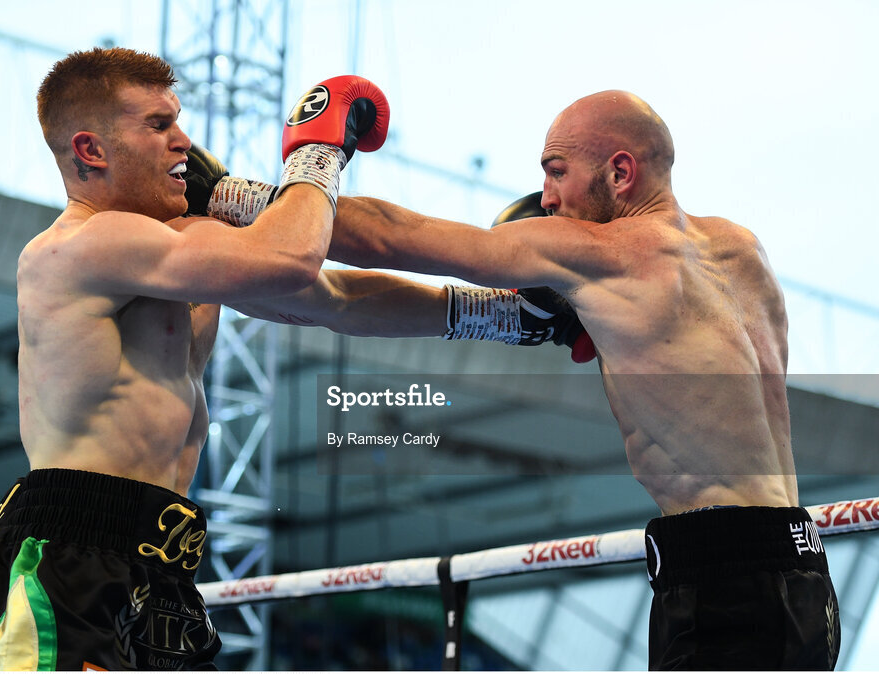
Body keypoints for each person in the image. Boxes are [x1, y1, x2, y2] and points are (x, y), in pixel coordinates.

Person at [216, 89, 841, 669]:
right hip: (806, 570)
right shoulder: (741, 249)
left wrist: (229, 194)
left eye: (556, 170)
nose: (545, 196)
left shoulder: (603, 255)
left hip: (721, 578)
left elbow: (394, 237)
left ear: (620, 173)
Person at [0, 46, 388, 671]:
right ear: (91, 150)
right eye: (159, 126)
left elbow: (336, 299)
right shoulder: (87, 242)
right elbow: (296, 258)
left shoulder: (190, 252)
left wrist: (494, 313)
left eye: (178, 121)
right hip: (70, 560)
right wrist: (316, 154)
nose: (184, 142)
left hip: (163, 566)